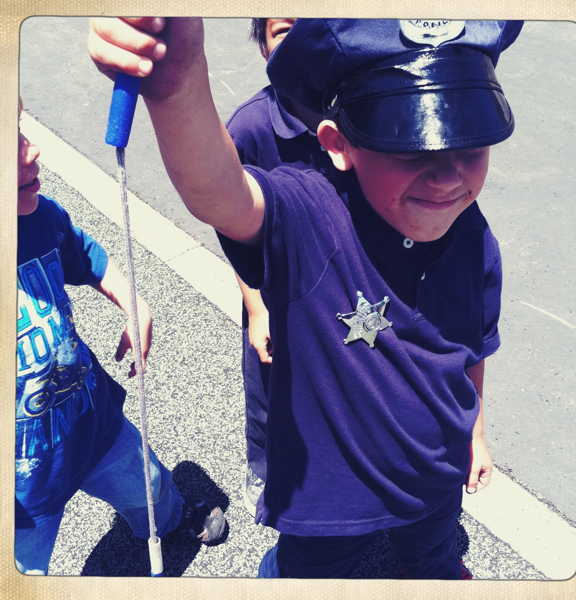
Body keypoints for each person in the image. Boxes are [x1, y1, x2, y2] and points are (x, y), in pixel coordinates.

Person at [88, 18, 523, 579]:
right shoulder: (312, 216)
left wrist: (475, 435)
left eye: (468, 141)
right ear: (339, 145)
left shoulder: (474, 234)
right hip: (331, 506)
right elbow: (220, 191)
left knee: (431, 556)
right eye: (409, 146)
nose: (446, 176)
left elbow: (473, 348)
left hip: (436, 478)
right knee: (309, 576)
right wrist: (177, 84)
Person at [15, 97, 225, 575]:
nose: (32, 150)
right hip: (21, 495)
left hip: (93, 425)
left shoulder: (39, 219)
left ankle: (170, 519)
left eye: (20, 128)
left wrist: (133, 301)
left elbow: (85, 255)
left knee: (148, 485)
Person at [229, 18, 327, 516]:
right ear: (263, 48)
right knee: (268, 391)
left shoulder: (360, 109)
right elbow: (232, 229)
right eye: (283, 30)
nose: (299, 39)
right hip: (274, 292)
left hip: (338, 285)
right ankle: (264, 467)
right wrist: (256, 308)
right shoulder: (248, 129)